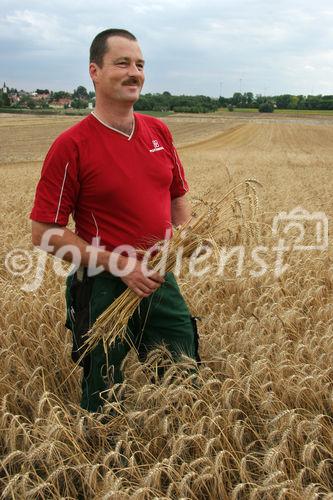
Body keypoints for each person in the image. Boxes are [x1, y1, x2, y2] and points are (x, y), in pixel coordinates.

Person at [30, 28, 200, 413]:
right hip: (102, 287)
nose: (134, 72)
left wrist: (183, 238)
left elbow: (177, 194)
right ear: (94, 71)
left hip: (158, 278)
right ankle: (103, 460)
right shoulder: (71, 145)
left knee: (183, 379)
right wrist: (118, 263)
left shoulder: (159, 131)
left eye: (140, 64)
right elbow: (43, 233)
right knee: (104, 392)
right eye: (122, 63)